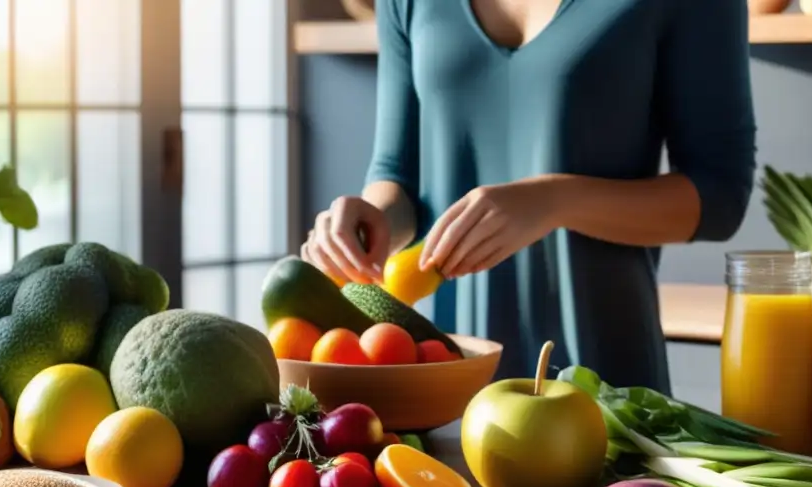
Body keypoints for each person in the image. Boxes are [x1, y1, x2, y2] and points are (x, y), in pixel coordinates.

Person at [301, 0, 756, 392]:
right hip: (445, 384)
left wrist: (556, 200)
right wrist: (370, 218)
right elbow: (396, 176)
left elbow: (719, 196)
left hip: (606, 390)